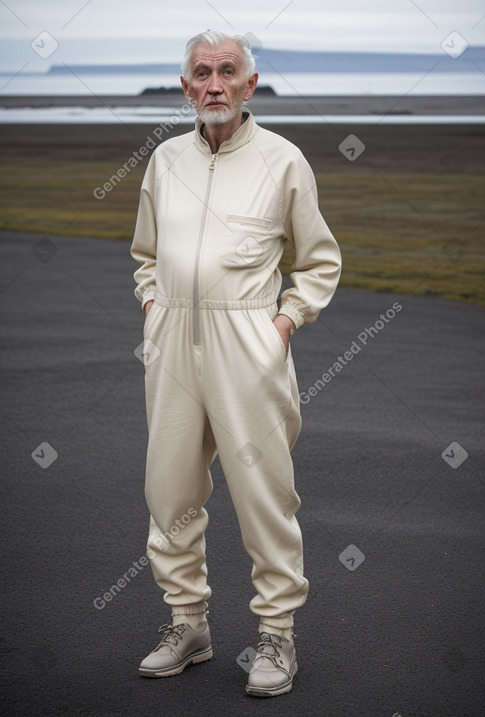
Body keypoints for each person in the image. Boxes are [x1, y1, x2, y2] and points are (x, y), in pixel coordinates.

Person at [130, 29, 342, 698]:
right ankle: (187, 624)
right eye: (201, 73)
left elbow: (318, 260)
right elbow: (145, 252)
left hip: (247, 346)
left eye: (228, 72)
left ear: (250, 85)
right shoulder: (164, 160)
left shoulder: (283, 161)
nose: (214, 84)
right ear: (186, 86)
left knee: (265, 497)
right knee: (170, 493)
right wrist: (152, 303)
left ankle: (276, 635)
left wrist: (281, 324)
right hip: (171, 348)